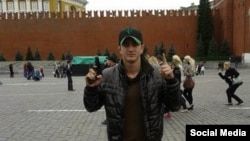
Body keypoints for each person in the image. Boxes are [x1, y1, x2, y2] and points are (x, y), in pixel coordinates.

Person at [84, 27, 181, 141]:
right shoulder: (108, 76)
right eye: (126, 45)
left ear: (142, 48)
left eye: (135, 44)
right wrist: (91, 89)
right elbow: (91, 107)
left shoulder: (157, 74)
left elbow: (175, 106)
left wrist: (171, 81)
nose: (130, 49)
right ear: (119, 49)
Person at [101, 54, 118, 125]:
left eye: (108, 60)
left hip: (114, 91)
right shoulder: (109, 68)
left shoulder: (116, 69)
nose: (107, 62)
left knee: (112, 107)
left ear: (111, 61)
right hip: (109, 90)